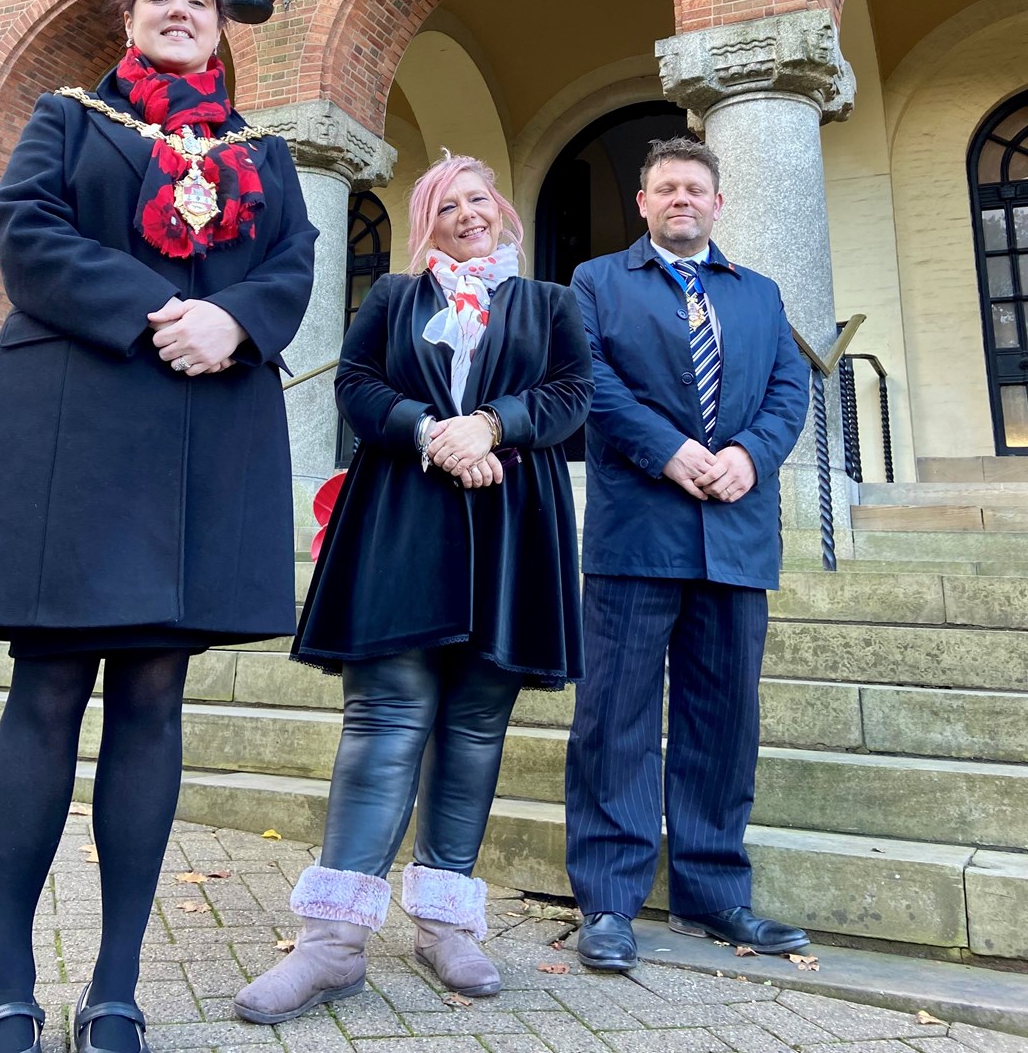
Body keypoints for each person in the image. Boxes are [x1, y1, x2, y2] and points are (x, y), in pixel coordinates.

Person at [0, 0, 317, 1053]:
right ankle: (6, 984)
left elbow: (291, 259)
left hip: (202, 444)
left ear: (221, 31)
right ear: (129, 24)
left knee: (154, 697)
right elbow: (29, 232)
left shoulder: (268, 153)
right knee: (47, 691)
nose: (183, 10)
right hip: (76, 435)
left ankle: (116, 990)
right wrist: (164, 309)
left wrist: (233, 321)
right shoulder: (66, 119)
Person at [232, 154, 593, 1026]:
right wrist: (435, 433)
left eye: (479, 200)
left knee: (474, 724)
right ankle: (331, 945)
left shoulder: (549, 305)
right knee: (386, 717)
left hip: (512, 518)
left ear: (502, 211)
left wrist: (494, 426)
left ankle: (443, 925)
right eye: (446, 205)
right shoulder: (396, 298)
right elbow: (357, 386)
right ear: (425, 223)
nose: (467, 214)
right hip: (403, 511)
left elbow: (574, 392)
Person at [564, 135, 810, 971]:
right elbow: (591, 381)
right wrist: (667, 450)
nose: (682, 200)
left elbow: (789, 389)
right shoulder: (597, 283)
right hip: (640, 531)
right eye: (666, 188)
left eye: (695, 188)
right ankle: (608, 902)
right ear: (643, 203)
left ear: (717, 203)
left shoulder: (761, 294)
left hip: (737, 537)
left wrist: (750, 455)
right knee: (616, 720)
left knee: (722, 722)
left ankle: (714, 896)